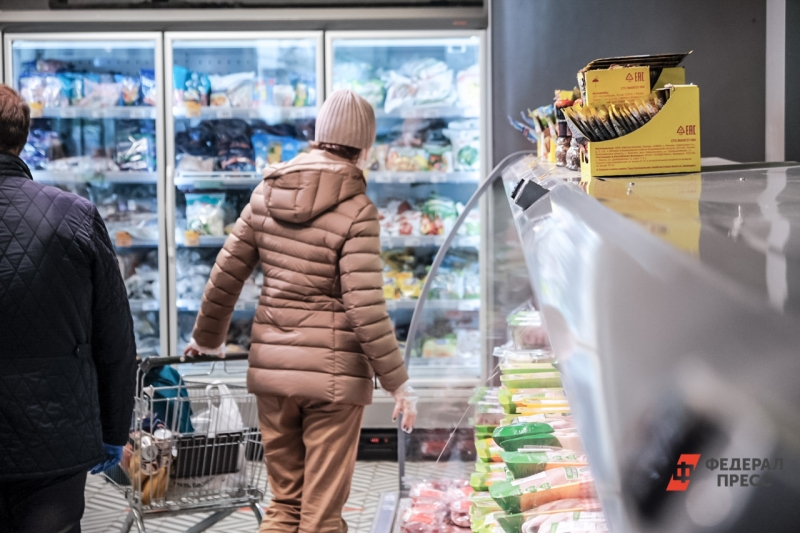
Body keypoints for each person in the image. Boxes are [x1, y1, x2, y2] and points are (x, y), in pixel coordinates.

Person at [184, 89, 417, 533]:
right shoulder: (357, 209)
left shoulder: (265, 193)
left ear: (318, 137)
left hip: (273, 372)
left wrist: (207, 339)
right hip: (333, 379)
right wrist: (398, 382)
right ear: (364, 148)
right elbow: (364, 305)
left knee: (284, 505)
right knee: (321, 514)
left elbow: (226, 275)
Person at [0, 84, 137, 533]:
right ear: (22, 138)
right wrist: (114, 431)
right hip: (56, 435)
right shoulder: (73, 215)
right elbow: (115, 335)